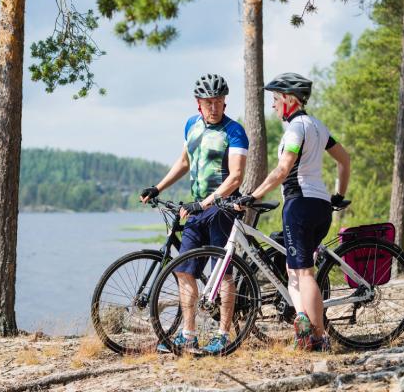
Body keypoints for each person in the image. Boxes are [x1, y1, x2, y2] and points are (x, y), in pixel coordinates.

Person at [236, 72, 350, 351]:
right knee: (293, 269)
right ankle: (303, 324)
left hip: (299, 204)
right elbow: (344, 161)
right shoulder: (319, 126)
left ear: (289, 100)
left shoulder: (296, 128)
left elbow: (283, 169)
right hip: (321, 204)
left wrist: (254, 194)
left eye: (275, 99)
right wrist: (338, 195)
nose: (273, 105)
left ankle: (319, 338)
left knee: (305, 272)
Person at [140, 74, 249, 354]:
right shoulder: (192, 124)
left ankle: (223, 335)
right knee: (183, 270)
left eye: (218, 101)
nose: (213, 107)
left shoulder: (234, 131)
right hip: (198, 208)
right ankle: (188, 335)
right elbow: (185, 161)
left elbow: (236, 176)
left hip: (223, 209)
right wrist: (158, 187)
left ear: (225, 102)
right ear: (198, 103)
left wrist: (209, 202)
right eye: (208, 102)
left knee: (222, 274)